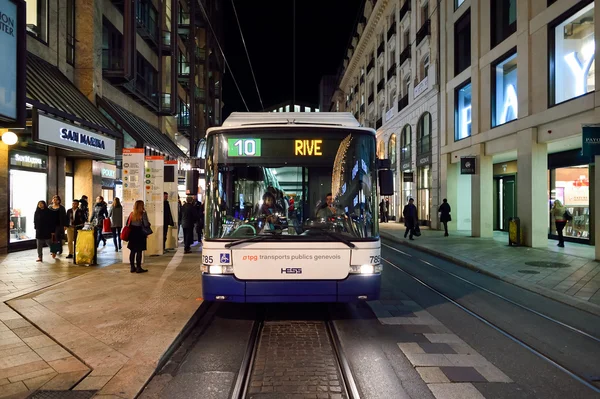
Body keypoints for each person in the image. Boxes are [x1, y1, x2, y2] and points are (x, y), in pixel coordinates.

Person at [126, 200, 150, 273]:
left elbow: (127, 223)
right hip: (140, 234)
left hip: (132, 234)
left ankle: (132, 267)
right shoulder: (143, 214)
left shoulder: (131, 214)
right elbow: (146, 224)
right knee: (139, 251)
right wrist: (149, 223)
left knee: (132, 251)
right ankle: (139, 268)